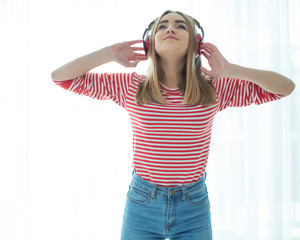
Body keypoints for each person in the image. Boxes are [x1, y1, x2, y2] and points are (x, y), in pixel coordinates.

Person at [51, 10, 295, 240]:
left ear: (195, 44)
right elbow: (61, 77)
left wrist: (231, 70)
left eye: (180, 26)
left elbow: (285, 88)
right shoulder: (131, 86)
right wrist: (107, 54)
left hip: (194, 206)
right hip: (142, 203)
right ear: (150, 43)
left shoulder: (214, 88)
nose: (171, 29)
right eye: (163, 26)